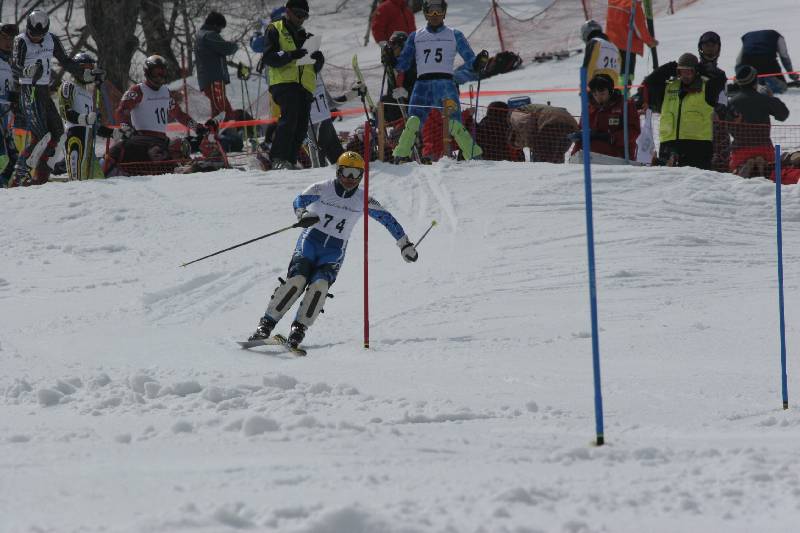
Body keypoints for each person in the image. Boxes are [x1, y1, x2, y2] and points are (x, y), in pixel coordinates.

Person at [247, 151, 418, 348]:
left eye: (356, 173)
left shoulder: (363, 199)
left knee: (319, 287)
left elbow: (387, 219)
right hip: (310, 242)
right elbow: (299, 200)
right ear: (338, 171)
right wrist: (302, 214)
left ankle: (298, 329)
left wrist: (404, 244)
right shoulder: (323, 188)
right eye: (346, 172)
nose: (350, 178)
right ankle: (265, 325)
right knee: (297, 281)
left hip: (334, 252)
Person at [387, 0, 487, 160]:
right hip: (423, 84)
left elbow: (470, 59)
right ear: (425, 13)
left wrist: (478, 63)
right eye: (431, 11)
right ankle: (400, 154)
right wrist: (391, 59)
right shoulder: (415, 36)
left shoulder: (454, 34)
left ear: (444, 13)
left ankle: (473, 154)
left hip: (445, 84)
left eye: (438, 11)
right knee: (413, 121)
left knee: (454, 122)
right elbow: (403, 64)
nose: (435, 15)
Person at [10, 10, 101, 185]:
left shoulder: (51, 39)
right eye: (33, 34)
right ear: (28, 28)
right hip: (29, 90)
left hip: (43, 90)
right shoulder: (21, 40)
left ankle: (41, 176)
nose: (36, 38)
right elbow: (15, 66)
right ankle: (19, 176)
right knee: (41, 136)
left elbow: (65, 61)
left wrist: (85, 74)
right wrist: (26, 71)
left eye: (40, 35)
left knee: (58, 133)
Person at [105, 55, 210, 176]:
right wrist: (125, 127)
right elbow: (121, 110)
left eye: (163, 72)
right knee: (154, 152)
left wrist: (196, 127)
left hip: (161, 139)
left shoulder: (166, 92)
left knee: (181, 145)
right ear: (147, 72)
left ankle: (190, 168)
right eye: (156, 73)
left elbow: (179, 114)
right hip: (142, 139)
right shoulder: (138, 90)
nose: (160, 77)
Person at [258, 0, 325, 170]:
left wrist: (319, 60)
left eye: (304, 16)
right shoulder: (275, 29)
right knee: (290, 118)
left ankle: (290, 160)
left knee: (301, 125)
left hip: (305, 86)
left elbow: (313, 67)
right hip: (284, 83)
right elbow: (269, 57)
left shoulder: (306, 36)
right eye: (298, 14)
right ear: (288, 11)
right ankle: (278, 158)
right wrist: (290, 55)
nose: (301, 18)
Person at [641, 52, 726, 169]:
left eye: (689, 71)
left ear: (696, 71)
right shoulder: (668, 87)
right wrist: (670, 67)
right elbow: (650, 81)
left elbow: (721, 77)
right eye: (682, 71)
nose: (685, 75)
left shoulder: (707, 87)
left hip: (698, 146)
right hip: (669, 145)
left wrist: (702, 68)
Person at [725, 64, 790, 178]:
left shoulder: (731, 103)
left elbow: (727, 127)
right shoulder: (764, 99)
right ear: (755, 81)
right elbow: (783, 115)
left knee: (734, 172)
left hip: (740, 149)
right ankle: (764, 167)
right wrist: (771, 98)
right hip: (764, 147)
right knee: (770, 172)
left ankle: (740, 168)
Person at [58, 52, 107, 180]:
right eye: (86, 68)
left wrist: (112, 133)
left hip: (89, 138)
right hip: (75, 135)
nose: (90, 72)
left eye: (91, 68)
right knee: (78, 179)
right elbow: (65, 111)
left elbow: (93, 123)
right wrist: (83, 118)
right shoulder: (68, 86)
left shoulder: (88, 93)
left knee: (98, 180)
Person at [569, 73, 639, 161]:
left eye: (602, 93)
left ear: (610, 91)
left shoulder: (625, 105)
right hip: (591, 152)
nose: (598, 98)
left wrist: (612, 137)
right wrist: (579, 135)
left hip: (618, 153)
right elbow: (581, 127)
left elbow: (633, 130)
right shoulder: (589, 108)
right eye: (595, 94)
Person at [195, 11, 238, 120]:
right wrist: (234, 45)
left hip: (207, 78)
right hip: (214, 78)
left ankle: (217, 130)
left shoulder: (200, 34)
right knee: (223, 111)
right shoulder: (209, 35)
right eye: (220, 27)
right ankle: (227, 130)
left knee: (217, 111)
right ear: (215, 25)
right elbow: (226, 48)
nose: (220, 31)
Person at [605, 0, 657, 86]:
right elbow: (640, 29)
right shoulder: (633, 6)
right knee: (626, 76)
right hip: (627, 46)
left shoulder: (613, 1)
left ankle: (615, 91)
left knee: (614, 73)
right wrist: (649, 41)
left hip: (611, 44)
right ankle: (623, 92)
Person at [737, 30, 798, 94]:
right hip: (767, 61)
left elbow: (739, 60)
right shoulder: (777, 36)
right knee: (782, 88)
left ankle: (758, 83)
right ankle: (771, 84)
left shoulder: (747, 37)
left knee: (756, 74)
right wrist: (791, 74)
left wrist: (739, 77)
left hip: (749, 62)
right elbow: (784, 56)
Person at [380, 31, 416, 124]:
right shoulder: (394, 66)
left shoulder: (413, 65)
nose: (392, 50)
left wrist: (406, 93)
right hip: (399, 109)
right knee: (384, 101)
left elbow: (421, 88)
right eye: (391, 47)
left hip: (414, 107)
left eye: (395, 47)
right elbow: (392, 92)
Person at [0, 23, 18, 187]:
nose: (9, 42)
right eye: (4, 38)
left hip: (6, 117)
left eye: (11, 39)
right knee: (3, 158)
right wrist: (8, 96)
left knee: (14, 157)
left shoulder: (9, 62)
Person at [580, 19, 621, 85]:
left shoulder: (594, 42)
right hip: (612, 86)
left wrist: (584, 85)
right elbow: (618, 70)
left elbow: (589, 65)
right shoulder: (615, 47)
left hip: (597, 84)